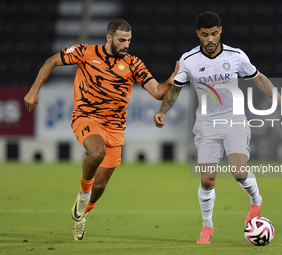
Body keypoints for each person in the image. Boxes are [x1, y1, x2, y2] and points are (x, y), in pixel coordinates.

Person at [24, 18, 178, 241]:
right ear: (109, 38)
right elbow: (51, 61)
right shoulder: (85, 52)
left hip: (115, 127)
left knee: (101, 184)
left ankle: (81, 215)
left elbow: (156, 91)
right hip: (86, 117)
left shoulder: (133, 63)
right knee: (96, 152)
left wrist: (169, 83)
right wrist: (34, 90)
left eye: (129, 40)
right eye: (121, 40)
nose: (126, 45)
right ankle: (83, 194)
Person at [154, 12, 282, 244]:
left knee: (238, 172)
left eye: (214, 33)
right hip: (206, 125)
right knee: (207, 180)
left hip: (234, 121)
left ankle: (255, 200)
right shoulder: (188, 59)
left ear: (220, 31)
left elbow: (259, 79)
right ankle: (207, 227)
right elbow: (175, 88)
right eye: (205, 35)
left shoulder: (236, 55)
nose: (210, 39)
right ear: (198, 35)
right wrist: (163, 111)